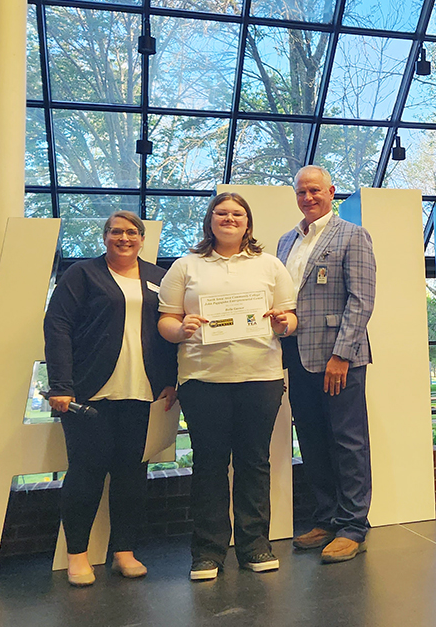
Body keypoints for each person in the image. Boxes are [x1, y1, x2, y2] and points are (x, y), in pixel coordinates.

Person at [158, 192, 297, 581]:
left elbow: (289, 318)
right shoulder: (186, 266)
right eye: (222, 213)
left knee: (255, 462)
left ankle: (255, 546)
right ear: (210, 220)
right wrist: (179, 328)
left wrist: (283, 323)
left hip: (262, 378)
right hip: (203, 380)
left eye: (237, 214)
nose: (229, 219)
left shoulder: (270, 265)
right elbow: (166, 320)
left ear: (248, 223)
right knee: (209, 465)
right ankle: (207, 552)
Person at [44, 211, 178, 587]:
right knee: (86, 474)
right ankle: (78, 556)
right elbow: (57, 327)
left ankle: (124, 551)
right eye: (116, 231)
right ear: (104, 237)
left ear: (142, 238)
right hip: (89, 393)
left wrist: (169, 380)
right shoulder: (82, 275)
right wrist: (61, 385)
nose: (124, 238)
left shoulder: (157, 277)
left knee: (131, 475)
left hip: (142, 392)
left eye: (131, 232)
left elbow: (168, 331)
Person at [277, 165, 376, 564]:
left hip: (340, 360)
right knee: (314, 441)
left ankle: (354, 525)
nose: (308, 198)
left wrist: (342, 355)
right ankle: (327, 518)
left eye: (315, 190)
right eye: (301, 192)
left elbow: (361, 300)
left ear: (331, 192)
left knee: (348, 442)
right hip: (297, 357)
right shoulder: (286, 240)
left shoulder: (353, 235)